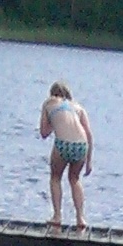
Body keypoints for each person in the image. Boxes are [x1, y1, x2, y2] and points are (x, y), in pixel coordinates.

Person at [39, 80, 94, 231]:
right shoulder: (78, 107)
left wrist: (54, 122)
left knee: (55, 177)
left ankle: (57, 216)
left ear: (52, 93)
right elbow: (89, 134)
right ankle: (80, 218)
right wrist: (89, 161)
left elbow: (44, 133)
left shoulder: (49, 103)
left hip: (63, 144)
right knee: (75, 179)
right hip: (81, 145)